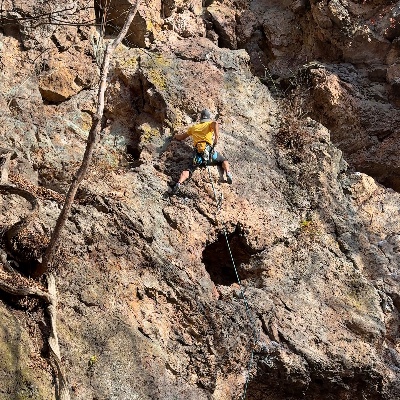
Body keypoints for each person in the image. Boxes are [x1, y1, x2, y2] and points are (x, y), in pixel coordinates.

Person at [172, 109, 232, 194]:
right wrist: (216, 138)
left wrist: (175, 136)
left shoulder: (193, 128)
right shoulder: (209, 124)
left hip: (198, 155)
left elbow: (181, 137)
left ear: (201, 118)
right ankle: (228, 173)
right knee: (223, 160)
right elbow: (215, 123)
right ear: (208, 118)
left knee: (189, 169)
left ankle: (179, 183)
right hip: (209, 154)